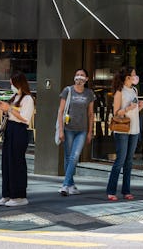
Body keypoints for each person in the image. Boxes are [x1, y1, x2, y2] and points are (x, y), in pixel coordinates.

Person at [106, 66, 143, 201]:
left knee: (129, 162)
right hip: (122, 129)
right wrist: (128, 108)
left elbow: (133, 112)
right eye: (133, 74)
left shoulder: (134, 90)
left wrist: (139, 107)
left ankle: (126, 190)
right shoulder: (119, 92)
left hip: (134, 129)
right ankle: (111, 191)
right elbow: (116, 113)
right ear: (127, 77)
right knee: (120, 160)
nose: (135, 77)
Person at [0, 71, 35, 207]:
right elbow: (10, 113)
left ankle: (19, 195)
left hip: (19, 131)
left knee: (16, 163)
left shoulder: (28, 99)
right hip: (10, 129)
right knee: (6, 162)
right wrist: (4, 108)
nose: (11, 85)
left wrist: (10, 109)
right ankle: (7, 194)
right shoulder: (14, 97)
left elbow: (25, 118)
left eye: (13, 83)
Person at [57, 68, 95, 196]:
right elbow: (60, 111)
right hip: (68, 129)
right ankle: (71, 185)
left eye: (82, 75)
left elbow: (90, 114)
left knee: (74, 156)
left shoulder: (89, 94)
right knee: (69, 157)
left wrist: (90, 131)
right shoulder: (67, 91)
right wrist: (61, 130)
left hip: (82, 130)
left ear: (86, 79)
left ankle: (65, 185)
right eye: (77, 74)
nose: (79, 77)